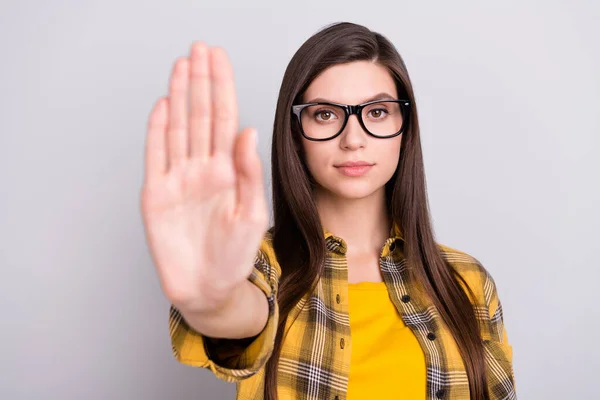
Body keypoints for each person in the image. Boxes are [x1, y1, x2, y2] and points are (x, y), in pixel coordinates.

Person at [140, 22, 516, 400]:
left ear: (405, 126)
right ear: (295, 133)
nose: (353, 139)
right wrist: (213, 302)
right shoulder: (260, 265)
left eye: (378, 112)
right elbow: (241, 311)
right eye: (325, 115)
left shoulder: (467, 282)